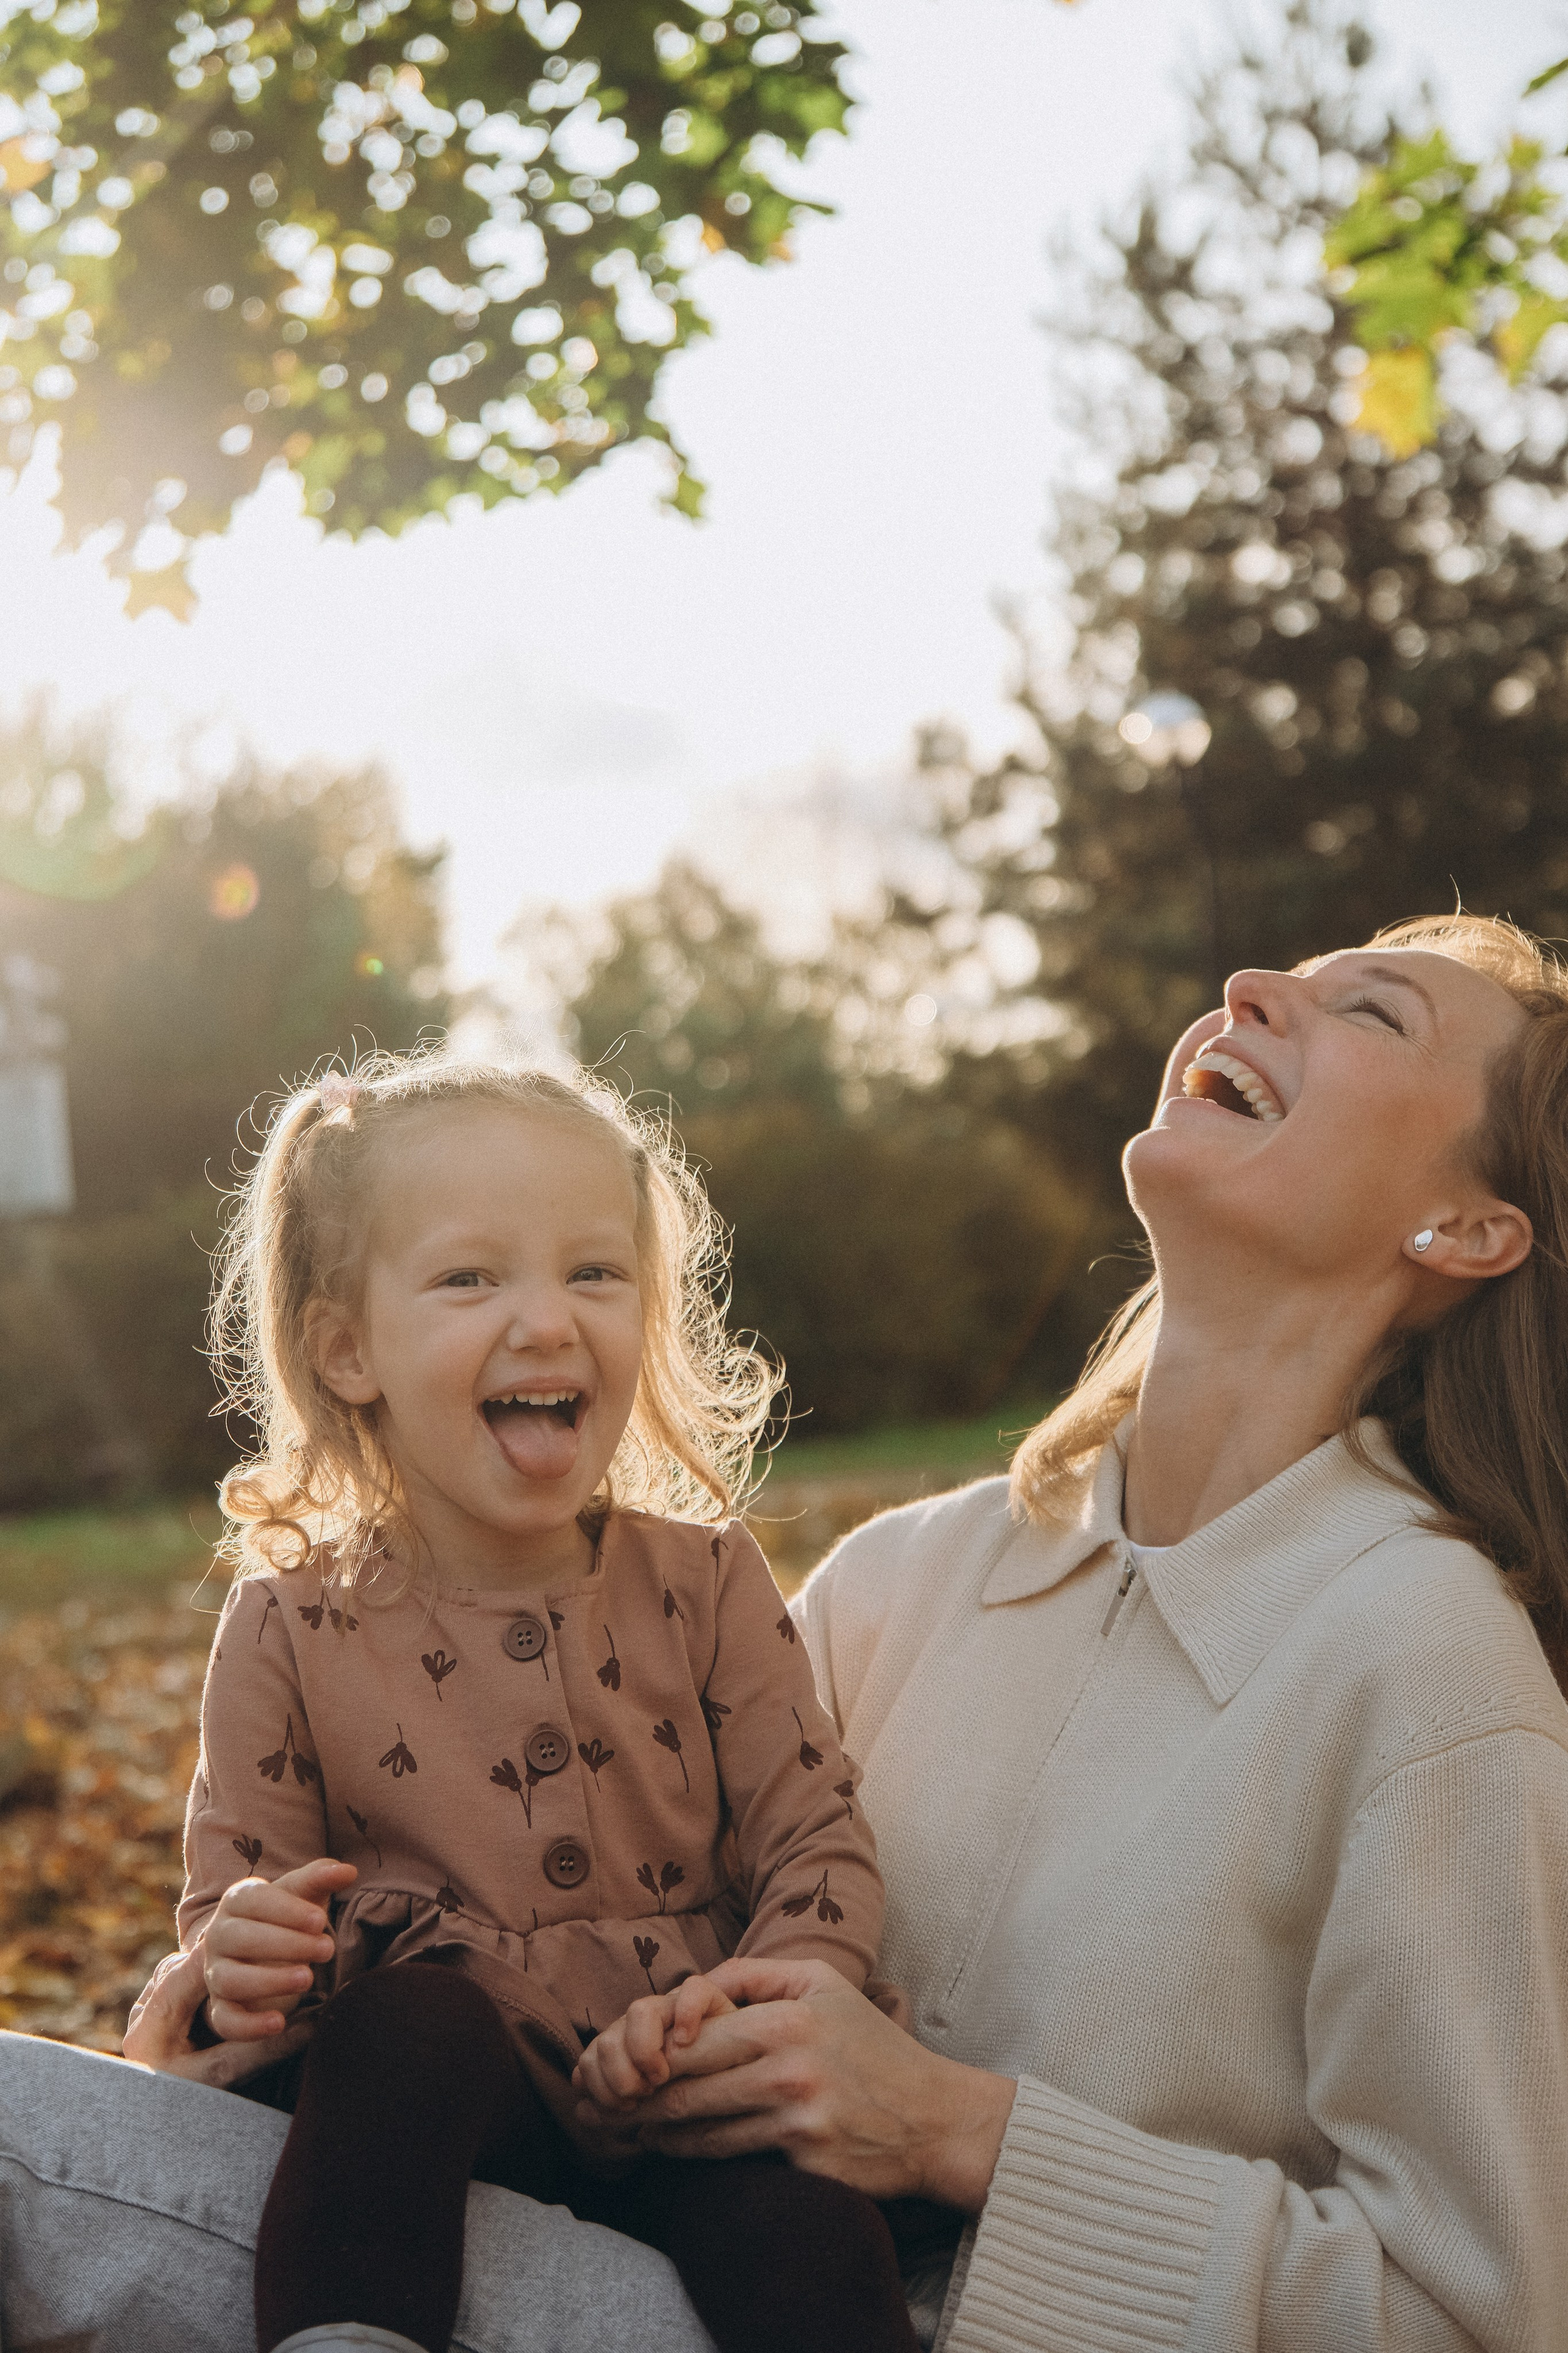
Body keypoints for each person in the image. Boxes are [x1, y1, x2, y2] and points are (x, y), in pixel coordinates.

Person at [2, 911, 1567, 2353]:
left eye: (1368, 1008)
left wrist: (961, 2131)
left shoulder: (1430, 1677)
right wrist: (217, 2008)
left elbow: (1480, 2315)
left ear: (1466, 1229)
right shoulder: (911, 1581)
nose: (1252, 988)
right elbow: (570, 1888)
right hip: (636, 2253)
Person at [129, 1053, 925, 2353]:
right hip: (445, 2091)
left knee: (797, 2212)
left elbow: (813, 1837)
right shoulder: (287, 1624)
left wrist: (756, 2007)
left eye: (593, 1272)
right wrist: (243, 1958)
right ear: (347, 1350)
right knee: (403, 2041)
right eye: (469, 1276)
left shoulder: (707, 1582)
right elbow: (238, 1905)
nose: (548, 1319)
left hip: (683, 2066)